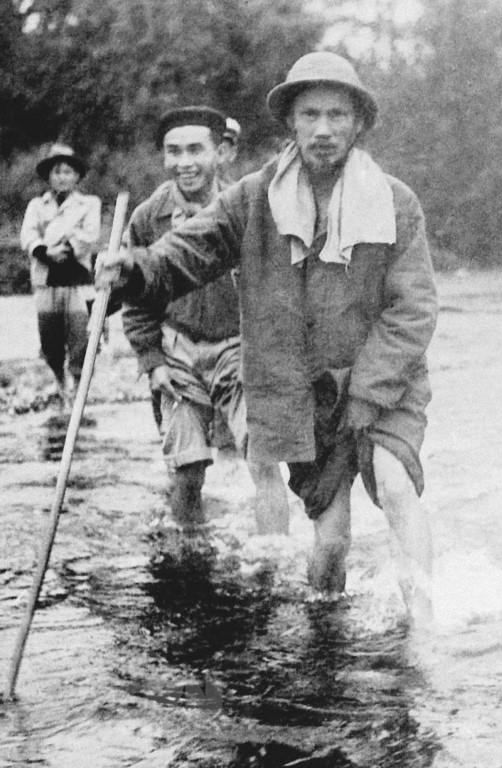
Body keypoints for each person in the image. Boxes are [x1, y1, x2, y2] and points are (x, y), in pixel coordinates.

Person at [97, 53, 438, 624]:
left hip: (386, 382)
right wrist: (134, 269)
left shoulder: (395, 200)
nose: (323, 129)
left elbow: (414, 308)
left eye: (337, 115)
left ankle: (425, 632)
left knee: (396, 484)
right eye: (310, 115)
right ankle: (325, 635)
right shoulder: (255, 198)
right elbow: (190, 251)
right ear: (290, 123)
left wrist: (368, 391)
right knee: (331, 545)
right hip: (305, 394)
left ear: (358, 123)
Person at [123, 105, 289, 535]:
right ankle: (188, 555)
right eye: (173, 151)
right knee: (187, 469)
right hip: (177, 349)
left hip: (240, 347)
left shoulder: (249, 208)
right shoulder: (147, 217)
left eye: (196, 150)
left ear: (221, 152)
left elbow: (277, 289)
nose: (184, 162)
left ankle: (275, 554)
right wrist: (151, 360)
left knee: (264, 459)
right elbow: (136, 299)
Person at [21, 143, 101, 405]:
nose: (62, 177)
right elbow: (28, 236)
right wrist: (46, 251)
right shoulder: (37, 205)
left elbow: (90, 235)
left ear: (76, 176)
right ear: (48, 176)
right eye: (57, 172)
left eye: (67, 172)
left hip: (78, 279)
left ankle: (78, 386)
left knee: (80, 336)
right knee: (50, 338)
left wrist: (63, 246)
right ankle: (59, 380)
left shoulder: (89, 203)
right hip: (46, 280)